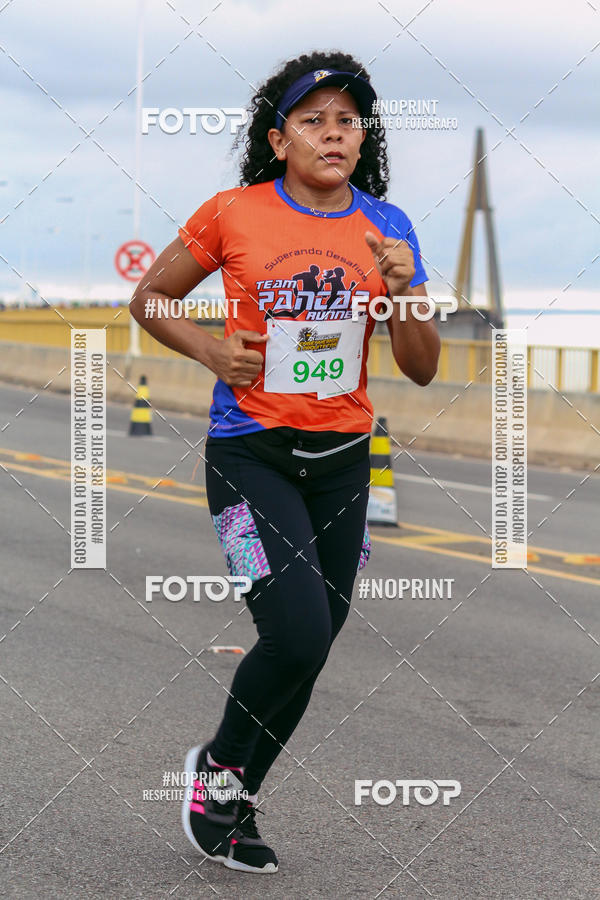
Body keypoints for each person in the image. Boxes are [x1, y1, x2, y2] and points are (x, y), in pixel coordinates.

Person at [129, 49, 440, 875]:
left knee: (315, 643)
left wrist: (407, 292)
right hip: (250, 455)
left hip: (345, 463)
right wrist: (208, 349)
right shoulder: (232, 213)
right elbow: (151, 298)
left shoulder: (391, 225)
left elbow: (420, 366)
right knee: (294, 630)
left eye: (346, 120)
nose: (333, 133)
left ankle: (234, 794)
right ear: (278, 139)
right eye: (313, 120)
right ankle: (217, 774)